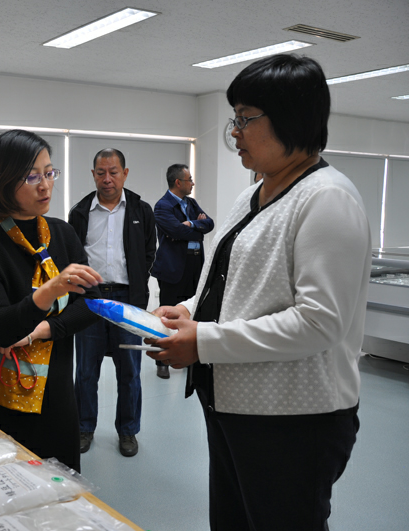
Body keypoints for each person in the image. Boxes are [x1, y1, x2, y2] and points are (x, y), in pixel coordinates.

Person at [146, 54, 370, 530]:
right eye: (235, 119)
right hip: (236, 407)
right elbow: (227, 281)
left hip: (293, 421)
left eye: (245, 119)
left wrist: (204, 341)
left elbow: (319, 322)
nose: (235, 132)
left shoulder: (327, 198)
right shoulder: (253, 194)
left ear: (291, 118)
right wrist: (186, 310)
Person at [0, 129, 102, 472]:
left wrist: (41, 331)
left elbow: (91, 303)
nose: (45, 185)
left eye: (49, 173)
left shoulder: (61, 233)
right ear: (3, 180)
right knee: (9, 485)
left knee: (63, 484)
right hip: (0, 399)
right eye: (32, 176)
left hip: (57, 394)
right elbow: (1, 327)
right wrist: (53, 289)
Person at [67, 148, 156, 457]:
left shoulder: (141, 210)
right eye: (101, 173)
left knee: (129, 371)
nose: (107, 179)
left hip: (127, 300)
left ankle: (128, 431)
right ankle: (84, 427)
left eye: (114, 172)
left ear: (125, 174)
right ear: (93, 175)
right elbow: (73, 255)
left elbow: (149, 253)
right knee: (86, 370)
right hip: (89, 298)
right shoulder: (80, 212)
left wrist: (137, 281)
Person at [150, 164, 214, 379]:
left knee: (192, 314)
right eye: (189, 180)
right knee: (166, 317)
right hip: (173, 268)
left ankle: (186, 357)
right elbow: (176, 231)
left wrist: (191, 225)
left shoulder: (191, 203)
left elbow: (210, 224)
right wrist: (197, 228)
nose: (192, 183)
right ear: (178, 182)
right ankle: (162, 361)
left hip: (195, 265)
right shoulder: (162, 206)